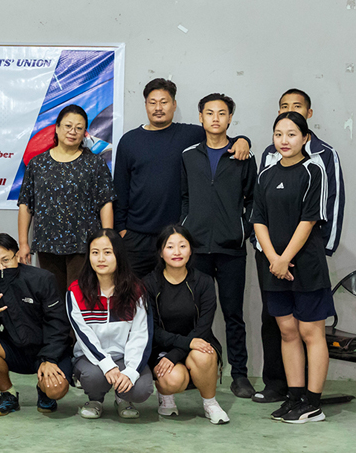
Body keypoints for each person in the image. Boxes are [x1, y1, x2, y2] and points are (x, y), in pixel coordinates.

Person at [253, 89, 345, 404]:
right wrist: (273, 259)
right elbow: (258, 219)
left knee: (310, 333)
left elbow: (309, 221)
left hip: (303, 266)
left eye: (292, 134)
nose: (284, 140)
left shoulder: (313, 170)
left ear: (305, 137)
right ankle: (294, 396)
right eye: (279, 134)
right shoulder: (265, 173)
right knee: (288, 333)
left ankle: (313, 401)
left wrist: (285, 259)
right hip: (274, 268)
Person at [114, 79, 250, 278]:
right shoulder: (129, 140)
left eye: (164, 102)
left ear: (174, 105)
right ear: (145, 105)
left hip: (176, 236)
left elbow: (219, 134)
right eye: (152, 102)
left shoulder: (191, 134)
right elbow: (121, 187)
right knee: (135, 299)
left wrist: (243, 139)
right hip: (136, 237)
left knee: (174, 299)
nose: (158, 108)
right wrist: (121, 231)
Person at [180, 93, 258, 398]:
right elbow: (184, 196)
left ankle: (239, 375)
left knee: (233, 314)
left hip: (230, 249)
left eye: (222, 113)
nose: (215, 118)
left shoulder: (243, 155)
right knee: (196, 314)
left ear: (230, 119)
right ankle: (198, 370)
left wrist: (243, 229)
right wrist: (187, 227)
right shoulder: (189, 155)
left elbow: (253, 200)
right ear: (200, 117)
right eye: (209, 113)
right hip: (196, 248)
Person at [17, 104, 115, 293]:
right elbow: (25, 205)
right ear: (57, 128)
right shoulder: (38, 164)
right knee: (52, 302)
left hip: (83, 246)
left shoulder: (94, 164)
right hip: (47, 245)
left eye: (79, 128)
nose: (73, 132)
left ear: (84, 133)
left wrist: (107, 240)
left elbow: (106, 203)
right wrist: (23, 244)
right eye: (68, 126)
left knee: (80, 299)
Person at [0, 233, 73, 416]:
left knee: (56, 389)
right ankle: (8, 394)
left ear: (17, 255)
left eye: (6, 260)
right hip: (16, 349)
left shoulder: (42, 279)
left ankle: (44, 391)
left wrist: (49, 358)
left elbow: (58, 322)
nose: (1, 267)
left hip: (49, 349)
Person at [142, 225, 230, 425]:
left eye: (183, 246)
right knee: (172, 380)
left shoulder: (204, 282)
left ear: (190, 250)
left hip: (198, 343)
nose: (177, 252)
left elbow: (204, 327)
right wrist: (178, 350)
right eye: (170, 247)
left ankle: (210, 403)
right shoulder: (149, 284)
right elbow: (151, 329)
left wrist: (177, 353)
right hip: (162, 346)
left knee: (204, 355)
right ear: (161, 252)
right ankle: (165, 395)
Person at [68, 229, 153, 419]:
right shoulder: (76, 291)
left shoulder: (137, 290)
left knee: (142, 388)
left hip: (125, 356)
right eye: (95, 252)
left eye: (107, 252)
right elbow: (84, 337)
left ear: (119, 255)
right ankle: (95, 399)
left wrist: (130, 371)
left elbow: (141, 335)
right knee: (94, 378)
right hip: (92, 359)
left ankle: (123, 399)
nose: (101, 259)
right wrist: (107, 365)